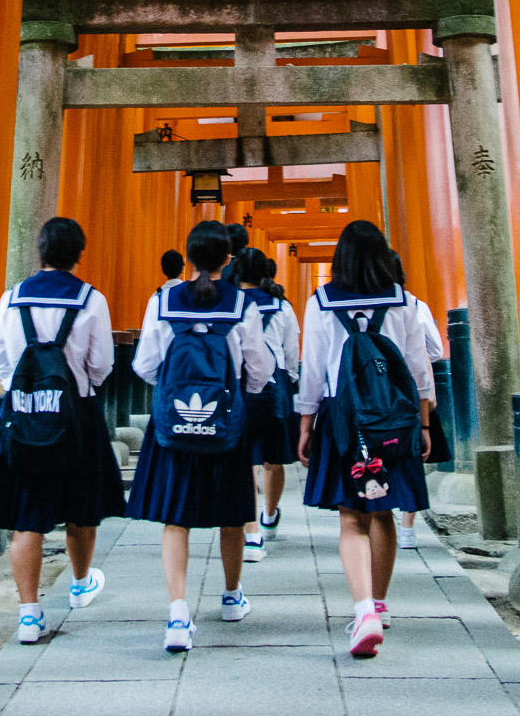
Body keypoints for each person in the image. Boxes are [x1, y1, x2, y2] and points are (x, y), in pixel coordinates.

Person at [0, 217, 127, 644]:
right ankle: (79, 584)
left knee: (27, 517)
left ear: (40, 251)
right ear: (79, 253)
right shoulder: (91, 300)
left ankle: (28, 614)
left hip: (22, 413)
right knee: (81, 507)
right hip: (78, 414)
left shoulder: (11, 298)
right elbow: (102, 364)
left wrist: (23, 391)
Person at [128, 220, 276, 653]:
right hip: (226, 420)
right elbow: (260, 368)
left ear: (188, 258)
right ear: (228, 259)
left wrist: (171, 390)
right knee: (232, 513)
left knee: (176, 518)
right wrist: (241, 397)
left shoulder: (163, 299)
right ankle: (231, 597)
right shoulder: (241, 304)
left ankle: (178, 612)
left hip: (174, 423)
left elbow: (144, 364)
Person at [297, 220, 433, 657]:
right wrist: (425, 424)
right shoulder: (403, 300)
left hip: (343, 417)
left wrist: (305, 425)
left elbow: (312, 369)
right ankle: (379, 601)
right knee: (385, 512)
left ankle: (363, 612)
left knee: (351, 516)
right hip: (393, 419)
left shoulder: (320, 302)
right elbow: (417, 370)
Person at [236, 247, 300, 562]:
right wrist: (293, 381)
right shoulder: (282, 307)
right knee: (273, 459)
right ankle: (269, 514)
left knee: (245, 457)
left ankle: (251, 528)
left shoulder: (230, 304)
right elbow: (291, 353)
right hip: (276, 384)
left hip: (239, 384)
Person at [386, 251, 448, 549]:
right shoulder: (415, 305)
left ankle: (379, 510)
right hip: (411, 394)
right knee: (411, 458)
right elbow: (435, 351)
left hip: (373, 397)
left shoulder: (351, 306)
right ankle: (407, 529)